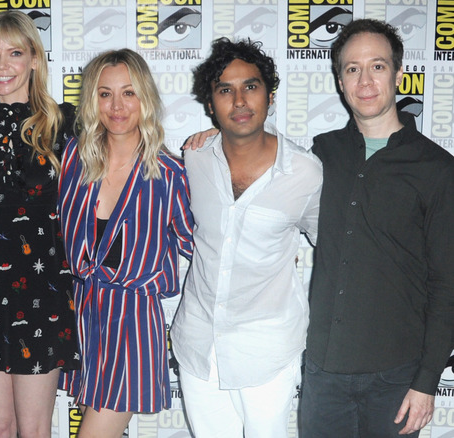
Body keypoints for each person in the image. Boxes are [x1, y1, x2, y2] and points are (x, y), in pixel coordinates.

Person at [300, 19, 454, 437]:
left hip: (396, 379)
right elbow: (259, 159)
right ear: (340, 81)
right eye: (353, 69)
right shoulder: (322, 153)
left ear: (398, 74)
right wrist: (218, 136)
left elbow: (447, 284)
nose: (365, 81)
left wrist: (427, 382)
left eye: (377, 66)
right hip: (323, 374)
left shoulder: (437, 169)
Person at [169, 38, 322, 438]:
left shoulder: (305, 173)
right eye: (225, 90)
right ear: (210, 104)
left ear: (270, 96)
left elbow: (335, 247)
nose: (239, 101)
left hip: (266, 349)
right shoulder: (194, 158)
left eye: (250, 87)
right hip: (199, 343)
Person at [0, 11, 80, 438]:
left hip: (42, 288)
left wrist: (205, 140)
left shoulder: (64, 121)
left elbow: (124, 152)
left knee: (34, 429)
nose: (1, 65)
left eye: (15, 53)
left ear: (35, 59)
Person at [58, 48, 195, 438]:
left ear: (145, 98)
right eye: (105, 94)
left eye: (128, 93)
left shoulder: (169, 173)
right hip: (83, 318)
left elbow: (203, 247)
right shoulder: (73, 159)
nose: (116, 106)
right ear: (92, 100)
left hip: (132, 324)